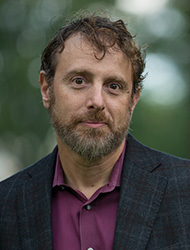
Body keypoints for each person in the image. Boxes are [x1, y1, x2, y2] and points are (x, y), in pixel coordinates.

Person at [0, 13, 190, 250]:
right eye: (79, 81)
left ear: (133, 100)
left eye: (114, 86)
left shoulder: (185, 190)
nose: (97, 101)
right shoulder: (5, 203)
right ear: (46, 88)